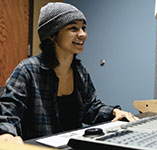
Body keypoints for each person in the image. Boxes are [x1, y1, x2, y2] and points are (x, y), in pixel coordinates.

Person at [0, 2, 138, 143]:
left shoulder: (80, 72)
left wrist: (114, 112)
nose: (82, 34)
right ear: (52, 35)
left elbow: (90, 108)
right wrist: (6, 135)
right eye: (73, 29)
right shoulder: (27, 70)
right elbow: (8, 114)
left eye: (83, 28)